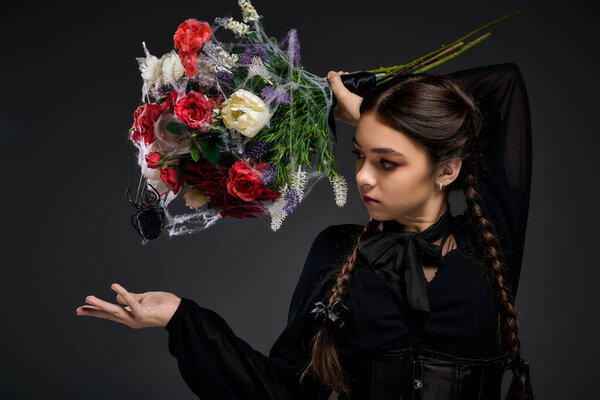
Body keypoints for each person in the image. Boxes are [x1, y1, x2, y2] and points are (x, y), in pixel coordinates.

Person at [76, 62, 533, 400]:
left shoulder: (488, 244)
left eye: (387, 161)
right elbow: (282, 394)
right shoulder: (337, 252)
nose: (364, 177)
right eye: (359, 155)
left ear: (447, 169)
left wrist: (370, 104)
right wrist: (180, 316)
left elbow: (502, 85)